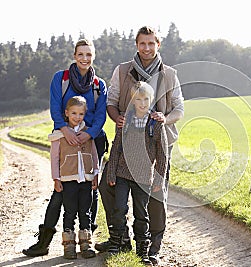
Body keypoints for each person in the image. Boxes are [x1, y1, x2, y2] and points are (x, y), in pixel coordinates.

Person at [97, 26, 184, 265]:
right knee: (107, 185)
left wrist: (165, 119)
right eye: (142, 44)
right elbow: (111, 102)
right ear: (136, 45)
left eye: (151, 44)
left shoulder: (170, 74)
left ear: (158, 45)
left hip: (158, 143)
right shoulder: (123, 70)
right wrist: (118, 119)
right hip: (126, 143)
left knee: (155, 195)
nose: (146, 48)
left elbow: (179, 108)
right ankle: (121, 238)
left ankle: (151, 248)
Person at [22, 38, 108, 257]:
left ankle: (87, 238)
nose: (85, 58)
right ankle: (44, 241)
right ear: (74, 55)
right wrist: (65, 130)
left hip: (91, 138)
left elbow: (99, 115)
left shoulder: (99, 85)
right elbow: (54, 106)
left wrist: (88, 134)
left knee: (91, 190)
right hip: (66, 138)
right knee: (61, 192)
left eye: (89, 54)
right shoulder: (60, 79)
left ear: (93, 57)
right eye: (81, 54)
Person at [106, 81, 168, 265]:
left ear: (151, 100)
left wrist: (159, 177)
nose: (142, 103)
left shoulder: (156, 124)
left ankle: (142, 249)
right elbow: (116, 148)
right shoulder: (125, 121)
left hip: (143, 178)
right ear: (133, 101)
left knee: (141, 214)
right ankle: (117, 243)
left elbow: (162, 154)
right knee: (119, 209)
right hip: (122, 174)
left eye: (146, 99)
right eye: (138, 99)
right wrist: (111, 173)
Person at [48, 96, 98, 259]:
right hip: (68, 180)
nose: (77, 117)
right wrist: (57, 178)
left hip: (86, 180)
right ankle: (69, 245)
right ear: (67, 113)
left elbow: (94, 154)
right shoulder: (58, 135)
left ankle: (85, 244)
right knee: (69, 212)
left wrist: (95, 174)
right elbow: (55, 158)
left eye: (81, 114)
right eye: (74, 113)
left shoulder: (88, 132)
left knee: (85, 212)